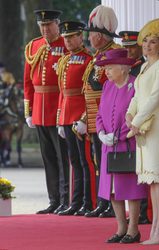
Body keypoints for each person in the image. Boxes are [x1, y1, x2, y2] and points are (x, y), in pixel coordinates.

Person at [126, 18, 159, 245]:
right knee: (152, 180)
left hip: (156, 126)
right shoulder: (144, 67)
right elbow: (137, 96)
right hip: (142, 126)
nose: (147, 45)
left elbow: (154, 98)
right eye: (145, 41)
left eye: (153, 42)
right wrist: (129, 114)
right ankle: (158, 226)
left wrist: (137, 121)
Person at [95, 48, 148, 243]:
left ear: (124, 68)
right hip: (108, 145)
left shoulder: (136, 85)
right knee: (112, 190)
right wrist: (101, 133)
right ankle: (121, 227)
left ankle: (133, 230)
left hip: (129, 143)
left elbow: (140, 113)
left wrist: (121, 135)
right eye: (106, 68)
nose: (106, 71)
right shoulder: (107, 86)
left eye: (110, 67)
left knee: (130, 189)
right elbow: (100, 114)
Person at [23, 10, 69, 214]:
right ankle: (54, 199)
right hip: (40, 108)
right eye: (42, 25)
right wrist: (29, 110)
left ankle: (66, 199)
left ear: (57, 25)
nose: (45, 29)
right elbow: (27, 81)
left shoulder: (65, 44)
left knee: (62, 157)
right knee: (48, 158)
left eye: (49, 25)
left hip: (58, 107)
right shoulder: (34, 45)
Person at [79, 5, 121, 218]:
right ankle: (103, 202)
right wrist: (85, 118)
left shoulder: (112, 54)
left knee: (107, 163)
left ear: (103, 35)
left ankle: (110, 203)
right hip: (95, 116)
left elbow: (104, 89)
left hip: (107, 118)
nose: (91, 37)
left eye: (93, 33)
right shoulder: (99, 55)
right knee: (99, 163)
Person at [55, 21, 93, 216]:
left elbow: (88, 92)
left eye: (71, 37)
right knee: (74, 161)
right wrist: (60, 119)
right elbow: (62, 92)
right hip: (67, 114)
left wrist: (86, 119)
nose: (68, 41)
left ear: (80, 37)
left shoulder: (88, 59)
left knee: (86, 160)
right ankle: (75, 202)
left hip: (80, 115)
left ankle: (89, 201)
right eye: (65, 37)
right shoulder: (64, 60)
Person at [119, 30, 150, 225]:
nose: (129, 51)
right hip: (129, 124)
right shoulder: (127, 69)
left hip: (142, 123)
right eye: (126, 48)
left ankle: (145, 211)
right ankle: (138, 212)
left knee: (144, 169)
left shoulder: (143, 68)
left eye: (132, 47)